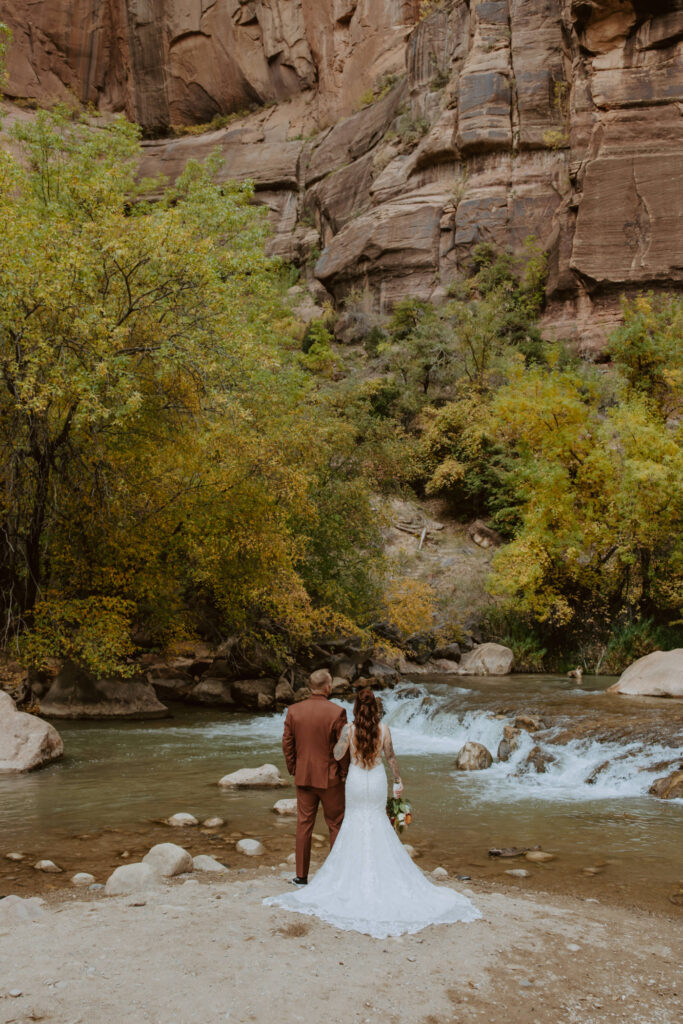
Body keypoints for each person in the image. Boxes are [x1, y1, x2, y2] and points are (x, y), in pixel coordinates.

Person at [265, 687, 481, 938]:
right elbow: (390, 757)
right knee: (378, 824)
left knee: (354, 824)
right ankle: (383, 878)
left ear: (356, 709)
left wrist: (335, 742)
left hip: (356, 782)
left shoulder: (349, 730)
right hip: (376, 781)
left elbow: (337, 754)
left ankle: (351, 879)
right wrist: (398, 780)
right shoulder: (385, 730)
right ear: (376, 709)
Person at [281, 668, 350, 886]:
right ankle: (336, 876)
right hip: (329, 778)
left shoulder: (293, 711)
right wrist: (345, 774)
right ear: (327, 687)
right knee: (336, 824)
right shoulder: (337, 712)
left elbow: (287, 743)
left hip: (304, 777)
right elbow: (342, 749)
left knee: (304, 825)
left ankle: (301, 876)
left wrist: (294, 767)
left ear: (311, 687)